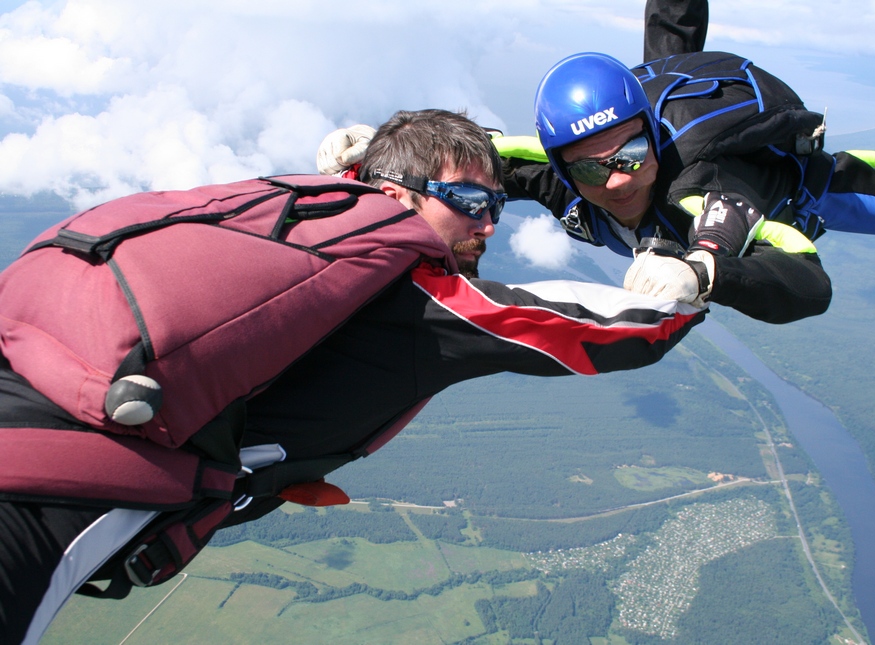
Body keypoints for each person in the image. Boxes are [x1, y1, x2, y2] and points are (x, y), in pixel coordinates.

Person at [0, 109, 705, 645]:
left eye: (494, 204)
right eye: (467, 201)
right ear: (395, 196)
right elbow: (614, 332)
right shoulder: (419, 295)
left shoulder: (304, 218)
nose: (488, 225)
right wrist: (695, 273)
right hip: (53, 498)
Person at [487, 0, 875, 321]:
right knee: (655, 98)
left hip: (792, 187)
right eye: (591, 169)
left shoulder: (708, 192)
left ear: (650, 138)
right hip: (663, 102)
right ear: (564, 167)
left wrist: (704, 273)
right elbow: (468, 164)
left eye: (630, 156)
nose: (615, 182)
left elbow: (810, 284)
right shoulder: (563, 176)